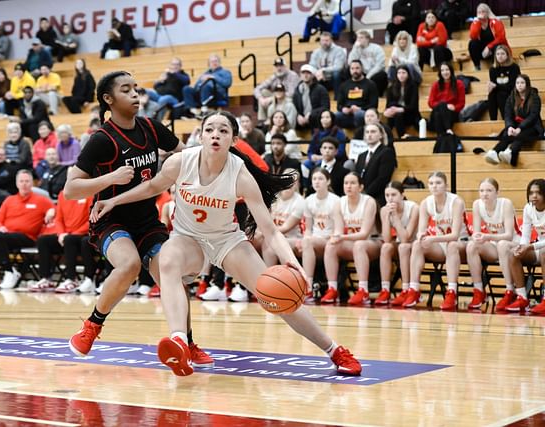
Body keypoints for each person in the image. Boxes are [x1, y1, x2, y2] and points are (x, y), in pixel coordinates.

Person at [90, 111, 362, 376]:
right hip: (188, 238)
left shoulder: (241, 175)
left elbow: (271, 230)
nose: (215, 135)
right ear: (200, 135)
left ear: (233, 139)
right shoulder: (180, 162)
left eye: (223, 131)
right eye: (209, 130)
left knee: (277, 296)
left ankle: (334, 350)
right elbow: (151, 188)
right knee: (168, 259)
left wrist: (291, 261)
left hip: (226, 240)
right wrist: (113, 200)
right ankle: (179, 342)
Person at [62, 71, 213, 368]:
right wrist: (110, 178)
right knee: (129, 264)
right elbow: (70, 189)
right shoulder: (101, 140)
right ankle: (92, 325)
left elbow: (185, 154)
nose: (135, 95)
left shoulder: (151, 128)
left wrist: (214, 151)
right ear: (108, 99)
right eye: (126, 90)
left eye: (136, 89)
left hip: (147, 221)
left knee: (170, 274)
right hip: (110, 219)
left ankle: (186, 342)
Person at [0, 169, 54, 289]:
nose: (24, 184)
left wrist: (51, 212)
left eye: (27, 181)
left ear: (32, 183)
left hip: (27, 237)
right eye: (21, 181)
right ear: (17, 183)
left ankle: (10, 271)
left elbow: (55, 208)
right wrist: (0, 227)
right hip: (5, 236)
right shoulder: (9, 200)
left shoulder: (41, 200)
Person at [405, 171, 469, 309]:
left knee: (452, 245)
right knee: (417, 244)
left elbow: (455, 235)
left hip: (462, 243)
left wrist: (432, 238)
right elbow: (421, 230)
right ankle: (414, 289)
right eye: (431, 183)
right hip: (441, 244)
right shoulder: (425, 203)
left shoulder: (456, 202)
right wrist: (421, 236)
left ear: (446, 185)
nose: (434, 186)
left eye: (438, 183)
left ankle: (452, 292)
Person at [322, 172, 381, 305]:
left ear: (360, 187)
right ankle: (332, 288)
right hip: (352, 243)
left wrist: (341, 237)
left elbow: (364, 234)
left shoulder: (369, 201)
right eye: (346, 183)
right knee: (331, 245)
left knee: (359, 245)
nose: (348, 186)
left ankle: (363, 290)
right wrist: (336, 237)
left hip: (373, 242)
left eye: (353, 183)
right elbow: (338, 230)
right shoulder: (339, 203)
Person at [466, 178, 518, 310]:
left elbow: (509, 235)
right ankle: (479, 290)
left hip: (514, 242)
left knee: (502, 244)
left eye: (489, 190)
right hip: (495, 243)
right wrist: (476, 236)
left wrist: (487, 236)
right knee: (472, 245)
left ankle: (510, 290)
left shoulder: (506, 204)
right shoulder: (477, 204)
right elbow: (477, 232)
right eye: (482, 190)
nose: (485, 194)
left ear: (497, 192)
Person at [30, 191, 96, 293]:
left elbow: (91, 220)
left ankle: (72, 279)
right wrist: (60, 234)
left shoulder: (89, 193)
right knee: (43, 240)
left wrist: (73, 233)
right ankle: (46, 279)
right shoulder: (63, 194)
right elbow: (58, 218)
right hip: (66, 236)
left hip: (83, 235)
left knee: (69, 240)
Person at [498, 179, 545, 313]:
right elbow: (525, 234)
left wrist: (530, 247)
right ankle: (522, 297)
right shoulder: (528, 208)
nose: (534, 196)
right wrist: (523, 247)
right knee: (514, 253)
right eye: (531, 193)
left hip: (541, 249)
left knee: (544, 253)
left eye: (538, 193)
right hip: (538, 247)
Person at [485, 74, 542, 167]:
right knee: (508, 132)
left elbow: (533, 116)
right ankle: (495, 152)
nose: (519, 85)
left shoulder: (534, 97)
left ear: (527, 84)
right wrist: (510, 126)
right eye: (517, 83)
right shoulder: (511, 97)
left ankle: (510, 151)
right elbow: (507, 115)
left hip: (532, 127)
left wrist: (520, 128)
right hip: (516, 125)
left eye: (522, 83)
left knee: (521, 133)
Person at [301, 168, 340, 292]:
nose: (317, 182)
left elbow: (337, 228)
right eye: (314, 179)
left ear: (328, 182)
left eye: (321, 179)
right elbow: (308, 229)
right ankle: (306, 286)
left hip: (330, 239)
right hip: (315, 240)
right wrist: (305, 239)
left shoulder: (336, 200)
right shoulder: (308, 200)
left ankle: (308, 286)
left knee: (308, 242)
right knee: (305, 241)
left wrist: (329, 239)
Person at [380, 182, 419, 306]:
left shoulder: (413, 208)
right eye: (387, 195)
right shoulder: (384, 210)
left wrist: (395, 216)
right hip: (401, 244)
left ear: (402, 195)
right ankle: (385, 289)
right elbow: (386, 239)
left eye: (393, 195)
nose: (390, 198)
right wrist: (386, 218)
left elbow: (406, 238)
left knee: (403, 247)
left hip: (416, 245)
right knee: (386, 247)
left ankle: (406, 289)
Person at [263, 169, 305, 267]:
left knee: (272, 243)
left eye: (293, 181)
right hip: (273, 234)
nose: (289, 184)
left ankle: (272, 275)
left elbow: (286, 228)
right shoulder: (273, 198)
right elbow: (264, 219)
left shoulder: (300, 202)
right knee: (252, 240)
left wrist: (266, 233)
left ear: (297, 185)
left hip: (293, 238)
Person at [354, 123, 397, 207]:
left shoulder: (386, 152)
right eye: (367, 132)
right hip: (361, 197)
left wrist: (366, 194)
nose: (369, 135)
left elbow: (383, 178)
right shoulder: (361, 156)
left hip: (378, 198)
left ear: (381, 135)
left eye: (373, 132)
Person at [303, 110, 347, 186]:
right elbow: (310, 151)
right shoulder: (316, 133)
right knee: (306, 163)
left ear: (332, 119)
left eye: (327, 117)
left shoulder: (339, 132)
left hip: (336, 160)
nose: (324, 119)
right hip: (318, 160)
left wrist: (322, 157)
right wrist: (312, 156)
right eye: (322, 117)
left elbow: (340, 152)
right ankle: (307, 186)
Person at [254, 57, 301, 123]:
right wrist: (260, 98)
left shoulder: (292, 76)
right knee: (263, 92)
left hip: (290, 100)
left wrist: (271, 98)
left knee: (284, 98)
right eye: (277, 66)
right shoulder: (274, 77)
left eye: (281, 66)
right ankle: (262, 121)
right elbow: (257, 89)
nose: (279, 68)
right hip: (277, 98)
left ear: (285, 66)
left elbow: (291, 93)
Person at [335, 60, 379, 129]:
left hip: (363, 112)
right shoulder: (344, 85)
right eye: (352, 68)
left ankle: (360, 134)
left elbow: (374, 105)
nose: (355, 71)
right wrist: (343, 109)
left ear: (362, 69)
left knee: (359, 114)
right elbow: (339, 105)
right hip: (348, 114)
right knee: (335, 115)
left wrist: (360, 108)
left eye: (357, 68)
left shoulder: (370, 84)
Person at [427, 62, 465, 136]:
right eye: (442, 70)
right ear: (440, 73)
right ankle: (448, 129)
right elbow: (430, 102)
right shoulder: (436, 84)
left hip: (452, 113)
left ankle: (440, 136)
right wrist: (443, 106)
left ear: (451, 71)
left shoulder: (459, 84)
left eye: (447, 70)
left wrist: (454, 107)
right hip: (437, 111)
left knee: (438, 115)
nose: (445, 72)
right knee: (441, 106)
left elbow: (461, 103)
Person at [384, 65, 420, 139]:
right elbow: (388, 105)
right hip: (395, 114)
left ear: (408, 74)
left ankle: (401, 136)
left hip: (409, 114)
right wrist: (387, 111)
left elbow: (413, 107)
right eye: (399, 73)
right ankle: (388, 137)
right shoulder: (391, 88)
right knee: (394, 110)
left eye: (403, 73)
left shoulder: (413, 87)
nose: (401, 75)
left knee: (397, 114)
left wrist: (399, 109)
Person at [347, 31, 388, 97]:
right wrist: (354, 48)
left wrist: (368, 77)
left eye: (361, 38)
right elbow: (350, 63)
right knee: (347, 71)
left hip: (374, 72)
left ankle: (377, 96)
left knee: (382, 75)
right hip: (361, 72)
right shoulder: (357, 48)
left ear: (367, 39)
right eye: (358, 38)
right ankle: (352, 94)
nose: (358, 40)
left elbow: (380, 65)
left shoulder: (377, 48)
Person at [468, 3, 508, 70]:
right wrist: (477, 23)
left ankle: (495, 66)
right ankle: (477, 66)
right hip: (482, 51)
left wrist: (489, 47)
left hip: (494, 48)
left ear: (488, 12)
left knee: (497, 46)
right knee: (472, 43)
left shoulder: (496, 21)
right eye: (479, 12)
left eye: (483, 11)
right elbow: (473, 36)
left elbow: (501, 38)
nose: (481, 14)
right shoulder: (475, 23)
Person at [487, 45, 520, 121]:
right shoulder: (493, 69)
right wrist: (490, 87)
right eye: (498, 54)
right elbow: (493, 86)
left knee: (501, 94)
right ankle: (493, 120)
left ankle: (506, 119)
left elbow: (513, 85)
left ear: (507, 55)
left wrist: (496, 86)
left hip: (512, 92)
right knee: (491, 94)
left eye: (502, 54)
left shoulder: (514, 67)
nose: (500, 56)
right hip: (499, 92)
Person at [293, 64, 330, 130]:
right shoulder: (297, 89)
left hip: (315, 118)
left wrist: (311, 114)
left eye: (308, 73)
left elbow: (326, 107)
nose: (305, 75)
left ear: (313, 75)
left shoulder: (320, 89)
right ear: (300, 75)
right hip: (301, 119)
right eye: (303, 73)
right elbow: (294, 106)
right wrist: (298, 115)